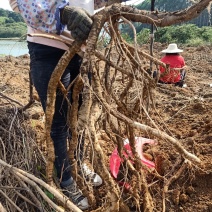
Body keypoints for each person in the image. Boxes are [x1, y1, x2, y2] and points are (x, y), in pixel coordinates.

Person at [9, 0, 128, 210]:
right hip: (48, 46)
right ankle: (65, 180)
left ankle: (78, 164)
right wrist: (63, 13)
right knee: (59, 123)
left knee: (80, 116)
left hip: (83, 48)